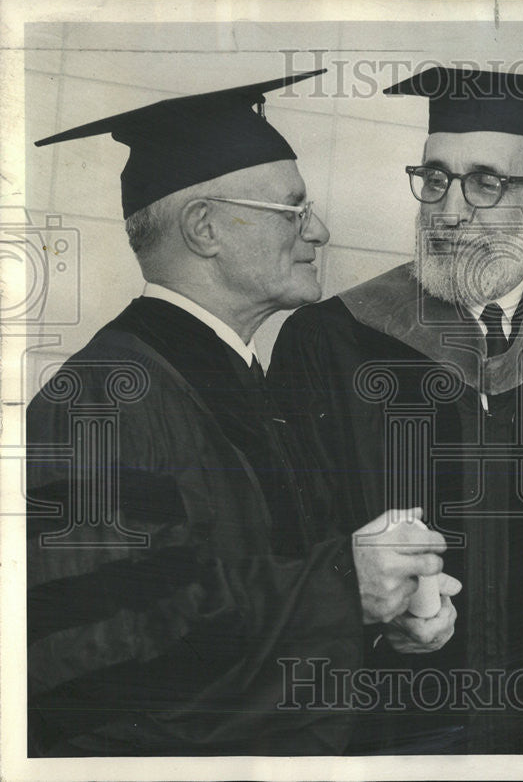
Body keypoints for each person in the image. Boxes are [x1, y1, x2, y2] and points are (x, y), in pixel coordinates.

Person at [27, 70, 452, 756]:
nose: (320, 230)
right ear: (205, 229)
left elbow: (238, 603)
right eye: (293, 208)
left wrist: (381, 613)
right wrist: (346, 589)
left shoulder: (245, 384)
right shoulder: (102, 397)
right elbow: (93, 659)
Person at [268, 67, 523, 754]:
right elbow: (287, 538)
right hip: (383, 723)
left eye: (485, 182)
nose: (450, 208)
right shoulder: (333, 339)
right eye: (435, 178)